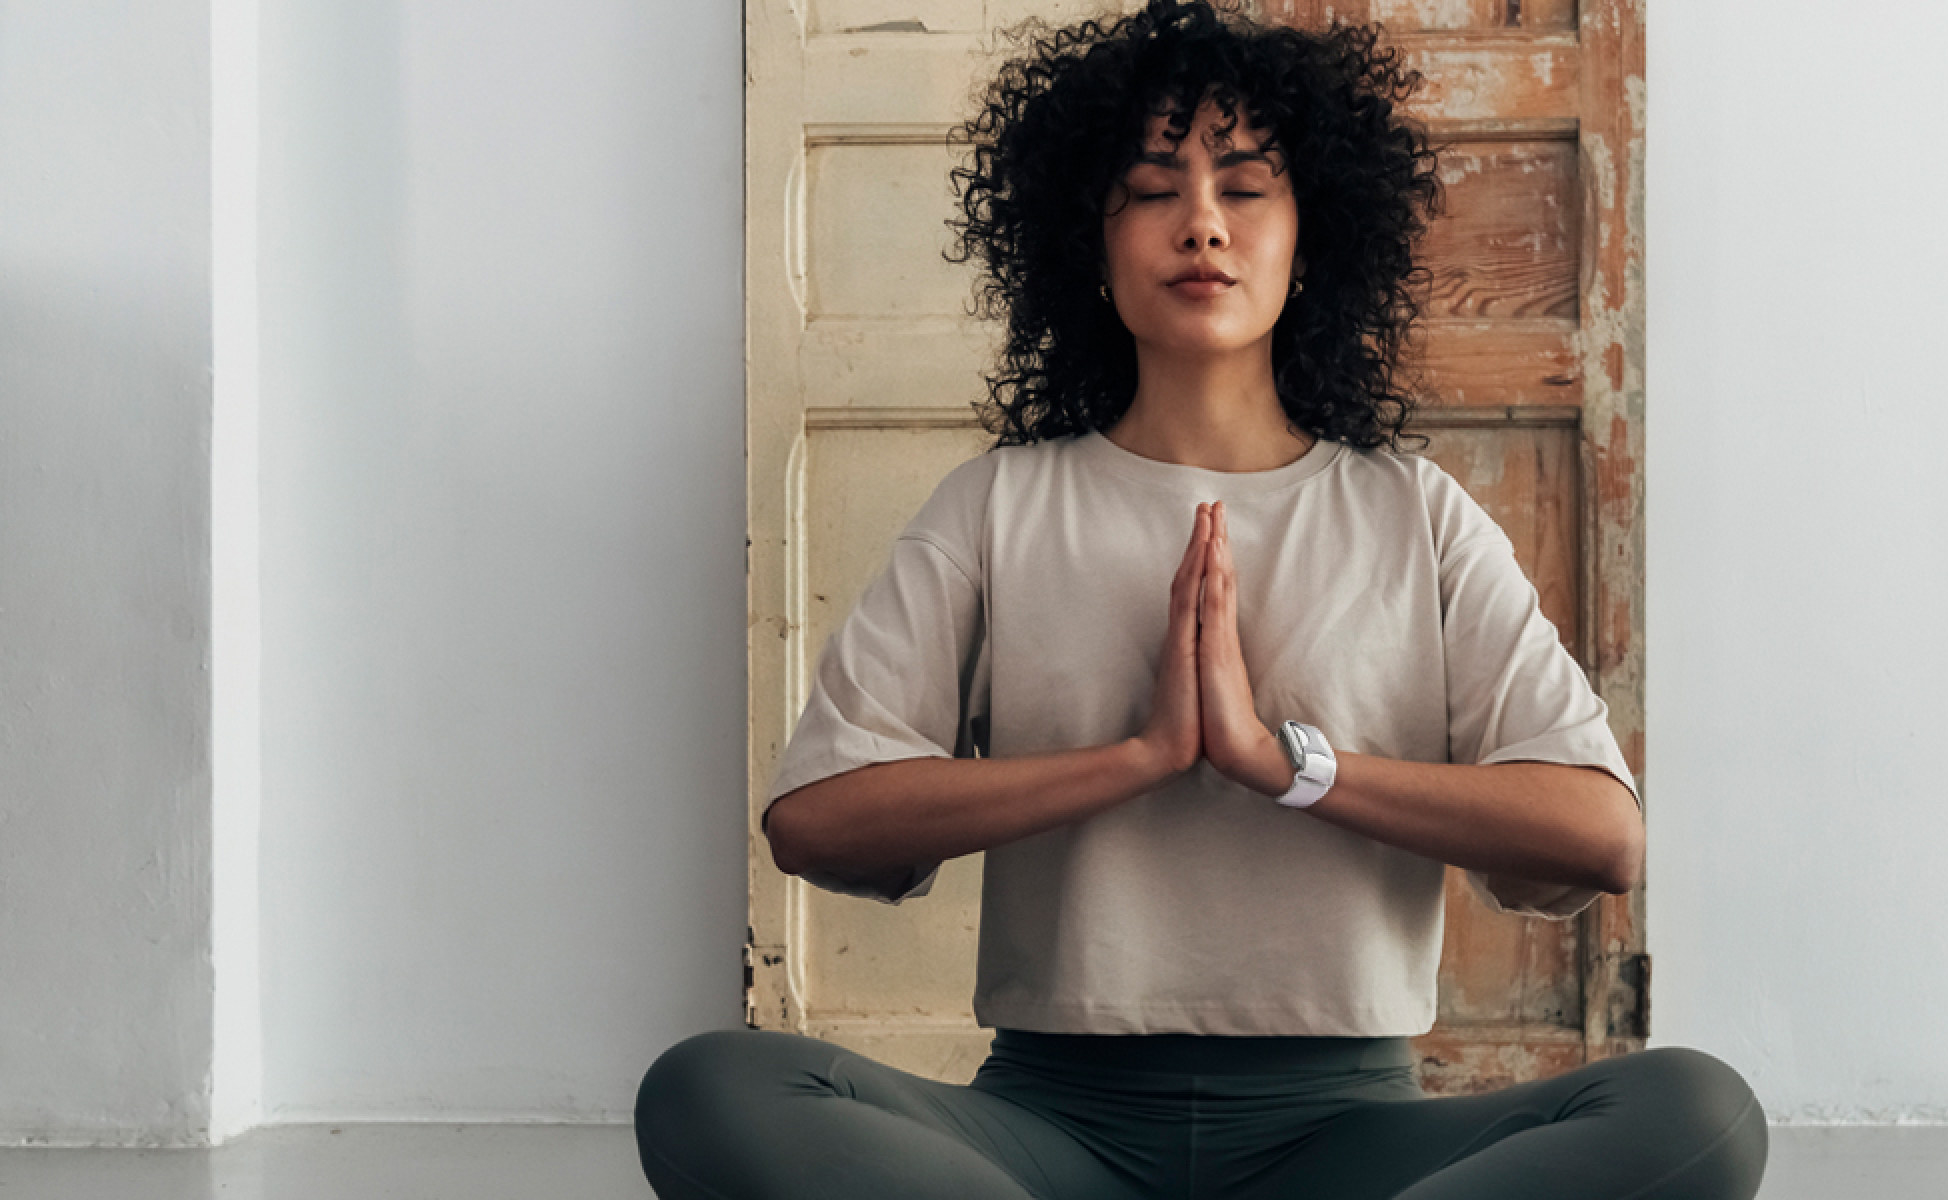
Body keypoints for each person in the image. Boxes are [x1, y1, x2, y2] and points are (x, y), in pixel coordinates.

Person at [634, 2, 1768, 1197]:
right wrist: (1140, 756)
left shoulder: (1411, 512)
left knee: (1698, 1111)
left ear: (1308, 232)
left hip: (1349, 1138)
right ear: (1092, 238)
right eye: (1150, 188)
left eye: (1244, 187)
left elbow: (1601, 834)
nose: (1203, 227)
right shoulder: (998, 506)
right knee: (712, 1087)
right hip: (1050, 1131)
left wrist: (1286, 766)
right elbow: (817, 818)